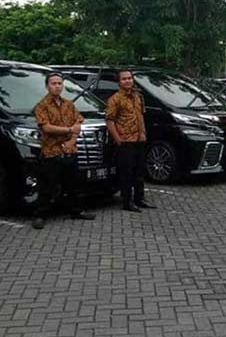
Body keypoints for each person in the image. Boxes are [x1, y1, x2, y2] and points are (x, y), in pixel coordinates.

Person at [32, 73, 96, 229]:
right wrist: (68, 130)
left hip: (69, 150)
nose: (57, 86)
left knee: (73, 184)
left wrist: (71, 141)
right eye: (53, 83)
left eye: (59, 83)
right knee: (48, 186)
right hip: (51, 151)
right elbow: (46, 127)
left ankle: (76, 211)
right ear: (47, 86)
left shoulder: (69, 104)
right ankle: (40, 215)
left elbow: (78, 122)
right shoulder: (41, 106)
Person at [105, 70, 155, 212]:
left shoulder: (138, 97)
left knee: (139, 171)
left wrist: (143, 134)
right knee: (126, 173)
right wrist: (118, 140)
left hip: (139, 138)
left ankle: (140, 199)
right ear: (119, 82)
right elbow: (109, 120)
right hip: (125, 141)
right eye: (124, 79)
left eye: (129, 78)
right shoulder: (115, 99)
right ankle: (127, 202)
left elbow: (142, 115)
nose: (127, 81)